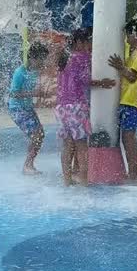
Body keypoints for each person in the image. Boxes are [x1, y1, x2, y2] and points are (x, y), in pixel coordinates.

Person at [108, 19, 137, 183]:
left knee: (128, 138)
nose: (126, 38)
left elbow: (132, 76)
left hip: (132, 101)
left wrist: (120, 67)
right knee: (129, 137)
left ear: (136, 34)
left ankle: (133, 173)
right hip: (132, 100)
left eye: (128, 34)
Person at [56, 28, 93, 185]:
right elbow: (86, 80)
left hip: (61, 107)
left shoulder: (65, 57)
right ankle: (84, 180)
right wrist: (103, 83)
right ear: (79, 42)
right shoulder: (82, 57)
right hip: (76, 107)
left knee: (67, 144)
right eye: (88, 41)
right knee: (81, 144)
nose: (90, 45)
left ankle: (67, 179)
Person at [8, 42, 49, 175]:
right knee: (36, 135)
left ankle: (29, 164)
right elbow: (13, 93)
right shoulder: (20, 72)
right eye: (42, 59)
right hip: (17, 108)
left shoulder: (35, 71)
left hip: (27, 107)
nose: (43, 62)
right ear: (33, 58)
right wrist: (34, 94)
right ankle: (27, 165)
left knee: (40, 135)